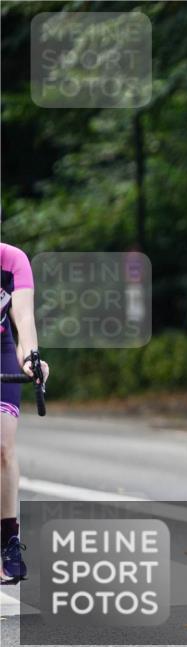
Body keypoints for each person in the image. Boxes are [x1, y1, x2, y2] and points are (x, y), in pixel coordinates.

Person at [1, 242, 49, 585]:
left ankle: (8, 542)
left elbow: (23, 318)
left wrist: (32, 358)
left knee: (3, 448)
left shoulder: (13, 260)